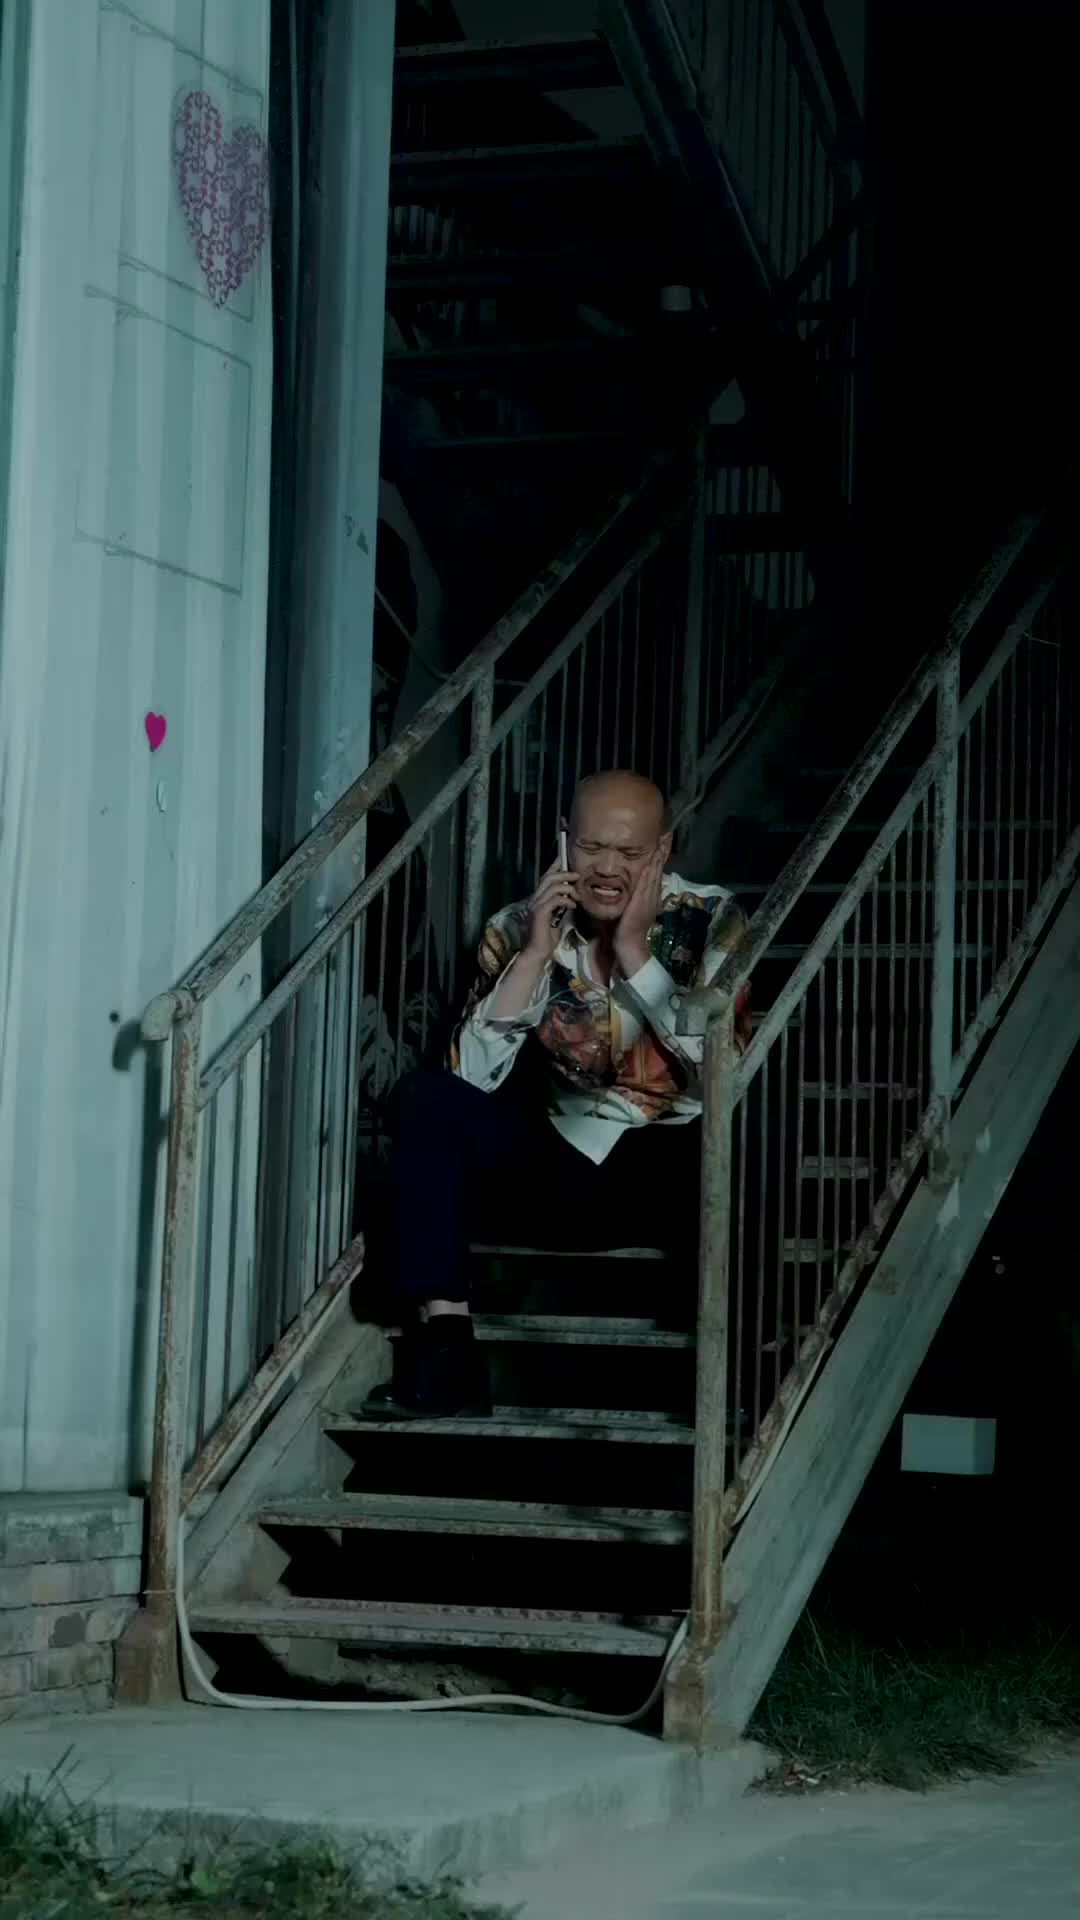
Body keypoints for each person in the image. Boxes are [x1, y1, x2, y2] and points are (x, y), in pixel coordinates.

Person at [363, 769, 751, 1420]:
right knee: (425, 1097)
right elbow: (465, 1085)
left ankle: (731, 1365)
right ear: (564, 837)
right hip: (556, 1168)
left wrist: (634, 952)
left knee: (751, 1121)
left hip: (669, 1171)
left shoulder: (711, 920)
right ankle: (449, 1356)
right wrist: (534, 956)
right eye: (592, 847)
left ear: (662, 849)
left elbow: (719, 1073)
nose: (608, 870)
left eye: (630, 853)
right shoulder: (516, 927)